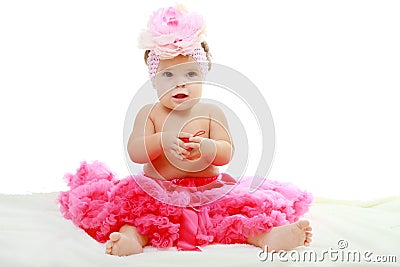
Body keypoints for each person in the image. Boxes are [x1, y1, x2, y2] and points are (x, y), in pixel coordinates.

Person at [59, 4, 313, 256]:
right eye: (168, 76)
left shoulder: (212, 112)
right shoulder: (151, 113)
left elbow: (226, 153)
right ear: (154, 81)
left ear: (202, 76)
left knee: (237, 214)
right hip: (159, 190)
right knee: (141, 215)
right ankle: (131, 238)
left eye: (190, 74)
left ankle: (268, 236)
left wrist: (209, 147)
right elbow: (136, 151)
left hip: (209, 189)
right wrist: (160, 140)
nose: (180, 82)